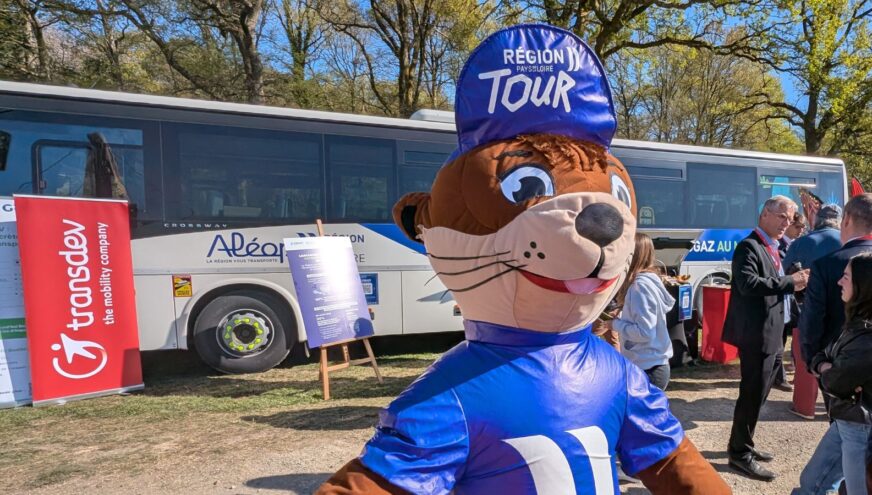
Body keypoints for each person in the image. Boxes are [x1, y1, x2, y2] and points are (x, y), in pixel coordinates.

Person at [723, 195, 810, 481]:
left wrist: (794, 282)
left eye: (792, 218)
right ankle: (739, 454)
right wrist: (791, 282)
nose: (788, 223)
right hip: (756, 335)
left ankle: (743, 442)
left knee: (758, 395)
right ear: (764, 215)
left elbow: (772, 284)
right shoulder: (749, 247)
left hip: (773, 332)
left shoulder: (773, 247)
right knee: (751, 395)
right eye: (783, 216)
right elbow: (749, 285)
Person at [792, 252, 872, 495]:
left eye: (846, 277)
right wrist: (825, 365)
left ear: (863, 285)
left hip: (859, 424)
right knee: (811, 482)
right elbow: (823, 357)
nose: (839, 281)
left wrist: (827, 369)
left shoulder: (866, 338)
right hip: (847, 418)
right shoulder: (856, 324)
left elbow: (836, 382)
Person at [800, 194, 872, 380]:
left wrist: (813, 362)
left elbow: (813, 318)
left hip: (836, 363)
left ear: (846, 219)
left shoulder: (826, 264)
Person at [783, 204, 843, 418]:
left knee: (808, 359)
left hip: (808, 308)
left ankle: (805, 407)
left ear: (818, 219)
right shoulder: (846, 240)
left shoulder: (801, 242)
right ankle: (840, 407)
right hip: (844, 312)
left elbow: (786, 272)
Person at [608, 233, 675, 390]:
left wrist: (615, 324)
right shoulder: (641, 284)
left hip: (648, 368)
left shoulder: (640, 287)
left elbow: (645, 332)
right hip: (645, 365)